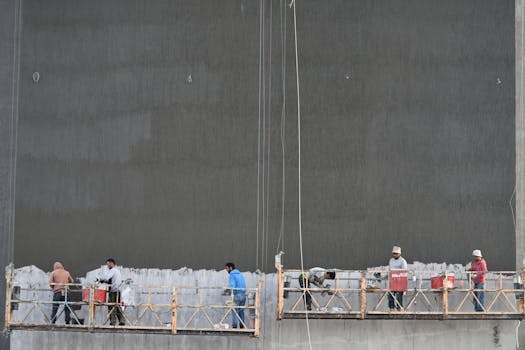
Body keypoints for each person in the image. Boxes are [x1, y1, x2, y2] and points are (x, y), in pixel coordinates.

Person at [99, 258, 125, 326]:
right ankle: (122, 321)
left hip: (113, 291)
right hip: (118, 291)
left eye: (108, 264)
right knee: (117, 305)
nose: (107, 266)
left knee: (111, 306)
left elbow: (106, 278)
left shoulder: (112, 270)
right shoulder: (117, 271)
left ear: (111, 263)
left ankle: (112, 322)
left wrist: (100, 279)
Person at [225, 262, 247, 328]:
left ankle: (234, 326)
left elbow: (232, 286)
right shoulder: (240, 274)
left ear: (230, 268)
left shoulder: (232, 274)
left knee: (234, 310)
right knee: (241, 311)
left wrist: (228, 291)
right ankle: (241, 326)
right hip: (243, 295)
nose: (226, 270)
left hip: (237, 295)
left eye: (227, 268)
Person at [388, 246, 407, 311]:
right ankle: (391, 308)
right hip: (392, 280)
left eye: (396, 254)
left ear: (399, 254)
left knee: (399, 295)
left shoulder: (402, 261)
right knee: (390, 294)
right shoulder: (391, 260)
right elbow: (390, 270)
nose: (395, 255)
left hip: (400, 281)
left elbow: (404, 272)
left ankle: (400, 308)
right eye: (394, 253)